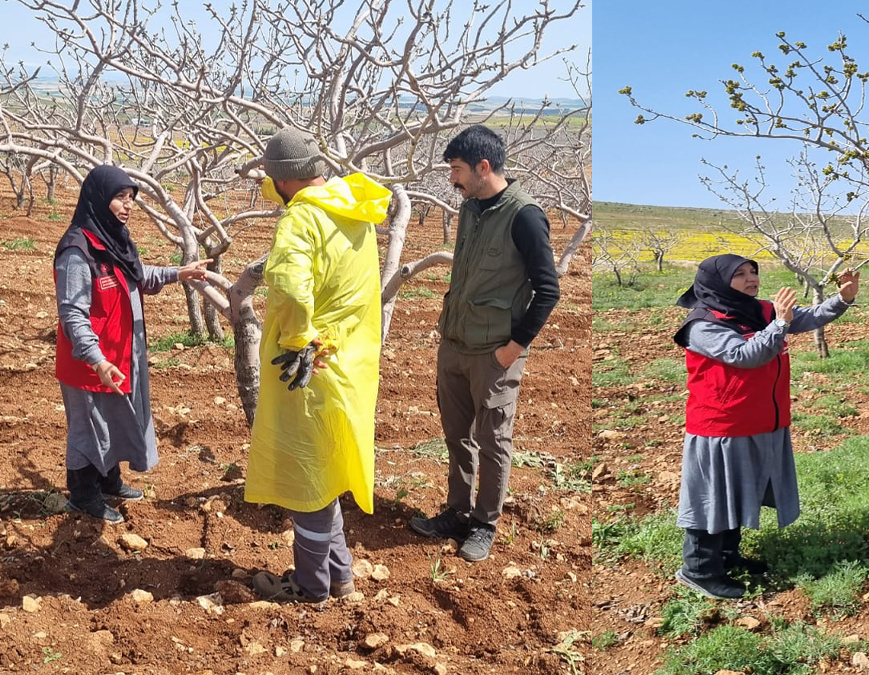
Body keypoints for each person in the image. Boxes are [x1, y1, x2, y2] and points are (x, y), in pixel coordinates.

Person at [245, 128, 391, 603]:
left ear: (284, 178)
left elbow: (289, 285)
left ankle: (311, 586)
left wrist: (296, 339)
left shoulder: (302, 220)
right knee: (326, 474)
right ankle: (340, 576)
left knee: (306, 479)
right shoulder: (353, 209)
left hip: (308, 366)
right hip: (347, 363)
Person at [409, 124, 561, 562]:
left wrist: (513, 349)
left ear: (483, 167)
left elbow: (548, 291)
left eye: (457, 169)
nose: (452, 179)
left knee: (493, 442)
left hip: (494, 353)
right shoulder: (471, 207)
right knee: (457, 436)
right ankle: (457, 512)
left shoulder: (525, 215)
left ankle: (484, 524)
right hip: (455, 344)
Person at [672, 254, 859, 599]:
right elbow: (746, 356)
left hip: (759, 420)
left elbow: (811, 316)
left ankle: (726, 556)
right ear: (717, 282)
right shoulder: (702, 324)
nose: (751, 279)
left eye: (753, 272)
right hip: (721, 426)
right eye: (740, 274)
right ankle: (698, 570)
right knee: (713, 497)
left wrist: (843, 298)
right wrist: (780, 324)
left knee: (737, 493)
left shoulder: (760, 310)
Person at [54, 166, 210, 524]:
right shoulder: (77, 250)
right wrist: (96, 360)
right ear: (98, 199)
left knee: (115, 420)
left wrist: (179, 273)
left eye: (131, 198)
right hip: (90, 363)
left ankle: (109, 482)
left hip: (118, 354)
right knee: (89, 428)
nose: (128, 205)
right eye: (120, 197)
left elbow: (137, 276)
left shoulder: (113, 240)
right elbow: (72, 313)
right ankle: (83, 495)